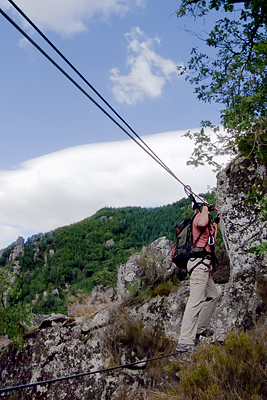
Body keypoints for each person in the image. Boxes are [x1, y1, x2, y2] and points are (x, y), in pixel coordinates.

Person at [176, 203, 221, 353]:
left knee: (213, 295)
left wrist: (216, 222)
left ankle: (200, 328)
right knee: (195, 301)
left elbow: (212, 238)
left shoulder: (207, 224)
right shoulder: (198, 218)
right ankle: (185, 340)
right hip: (199, 265)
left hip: (204, 265)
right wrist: (205, 208)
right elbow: (202, 222)